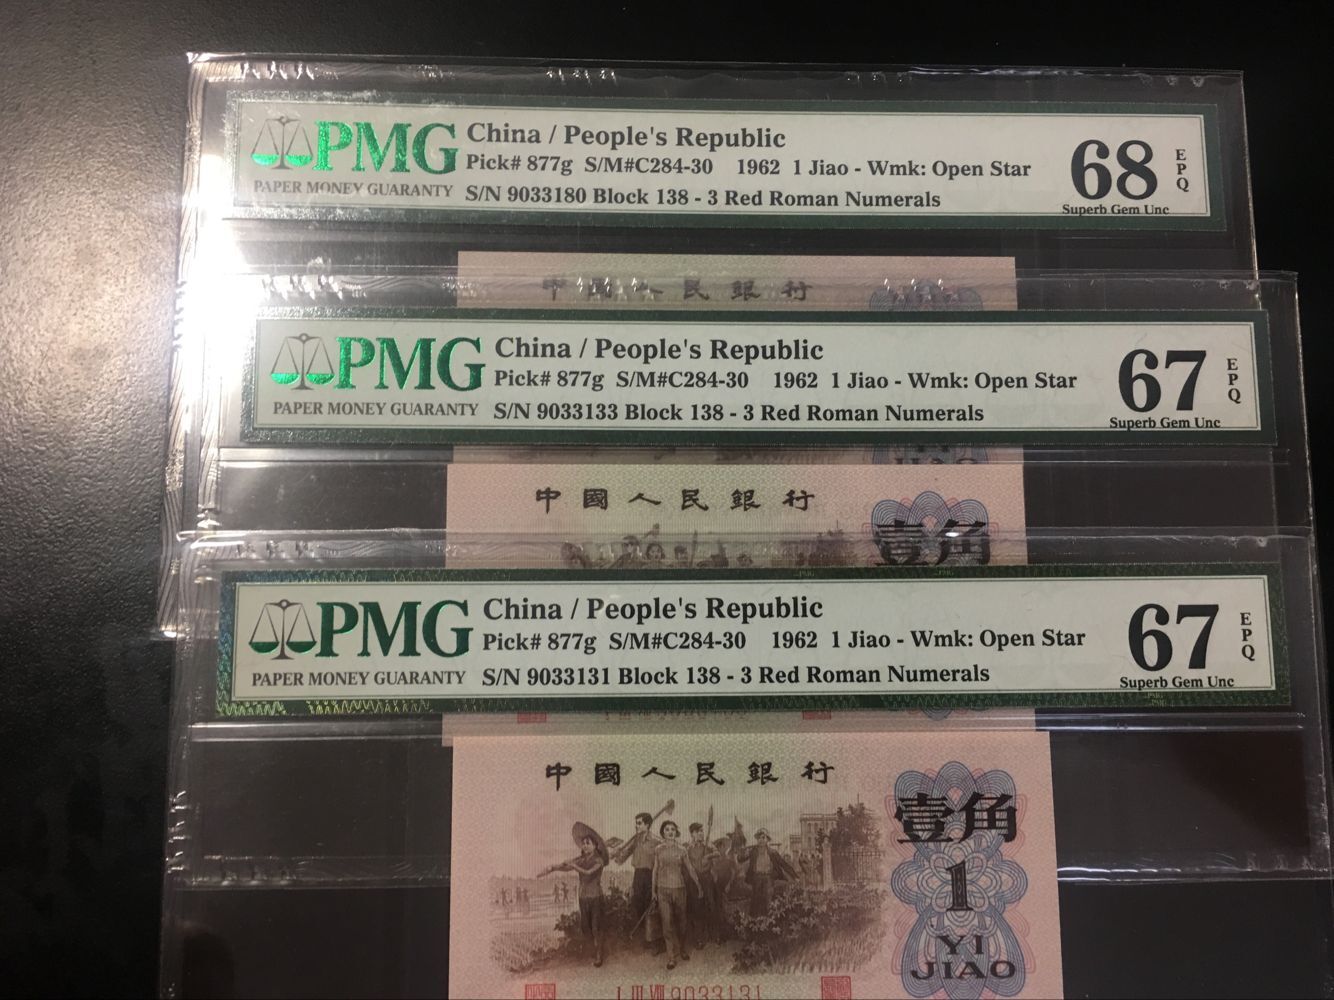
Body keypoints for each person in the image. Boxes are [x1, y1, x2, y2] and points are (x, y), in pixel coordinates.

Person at [652, 820, 702, 970]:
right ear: (663, 832)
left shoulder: (682, 850)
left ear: (676, 832)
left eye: (673, 829)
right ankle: (671, 957)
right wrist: (653, 891)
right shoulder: (658, 849)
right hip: (663, 891)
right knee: (667, 923)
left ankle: (682, 949)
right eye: (667, 829)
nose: (670, 832)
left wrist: (698, 885)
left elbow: (690, 869)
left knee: (682, 922)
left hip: (679, 890)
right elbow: (655, 870)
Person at [612, 812, 664, 952]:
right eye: (636, 823)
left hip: (651, 876)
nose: (637, 825)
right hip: (638, 876)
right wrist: (616, 853)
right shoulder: (635, 841)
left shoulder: (657, 842)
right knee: (638, 906)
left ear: (647, 824)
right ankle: (644, 939)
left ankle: (656, 942)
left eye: (639, 823)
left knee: (652, 907)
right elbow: (621, 859)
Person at [553, 834, 608, 967]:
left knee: (596, 926)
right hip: (583, 897)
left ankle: (599, 955)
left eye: (588, 843)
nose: (585, 846)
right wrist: (555, 867)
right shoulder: (581, 859)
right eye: (583, 843)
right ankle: (592, 950)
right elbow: (566, 868)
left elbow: (588, 872)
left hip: (595, 896)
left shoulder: (599, 860)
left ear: (595, 846)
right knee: (585, 926)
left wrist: (573, 864)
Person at [738, 828, 799, 917]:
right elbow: (740, 859)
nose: (761, 840)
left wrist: (795, 876)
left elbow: (783, 864)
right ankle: (753, 922)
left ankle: (768, 921)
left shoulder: (772, 852)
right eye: (759, 838)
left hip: (768, 879)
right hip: (756, 879)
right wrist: (741, 851)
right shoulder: (753, 851)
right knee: (755, 902)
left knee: (768, 901)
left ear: (767, 840)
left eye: (763, 838)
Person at [686, 822, 722, 947]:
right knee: (697, 908)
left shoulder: (707, 844)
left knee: (711, 905)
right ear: (692, 834)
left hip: (707, 879)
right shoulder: (688, 848)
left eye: (702, 831)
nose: (701, 833)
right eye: (698, 831)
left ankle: (715, 935)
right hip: (694, 880)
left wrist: (708, 856)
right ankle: (699, 938)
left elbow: (718, 853)